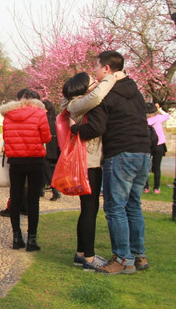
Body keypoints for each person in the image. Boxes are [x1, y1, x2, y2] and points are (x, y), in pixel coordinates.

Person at [70, 50, 151, 274]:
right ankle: (138, 255)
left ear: (106, 69)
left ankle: (123, 259)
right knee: (133, 206)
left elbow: (96, 127)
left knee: (115, 208)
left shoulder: (106, 93)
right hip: (143, 152)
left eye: (96, 66)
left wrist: (75, 128)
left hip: (121, 152)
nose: (94, 71)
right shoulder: (135, 91)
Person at [62, 71, 117, 271]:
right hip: (89, 162)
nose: (97, 83)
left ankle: (81, 253)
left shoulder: (75, 103)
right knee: (89, 209)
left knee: (88, 208)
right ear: (84, 89)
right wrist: (110, 78)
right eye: (93, 82)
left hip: (85, 161)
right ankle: (90, 259)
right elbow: (97, 96)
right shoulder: (79, 103)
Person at [1, 88, 51, 251]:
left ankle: (17, 237)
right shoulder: (40, 113)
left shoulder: (9, 114)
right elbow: (46, 138)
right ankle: (32, 239)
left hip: (15, 160)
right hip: (35, 159)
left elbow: (5, 137)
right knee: (33, 199)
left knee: (15, 198)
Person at [144, 102, 169, 194]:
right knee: (157, 167)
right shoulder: (158, 118)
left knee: (146, 166)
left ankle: (146, 187)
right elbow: (167, 116)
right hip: (159, 144)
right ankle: (156, 188)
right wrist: (159, 110)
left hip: (147, 144)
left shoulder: (143, 120)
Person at [41, 100, 61, 201]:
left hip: (47, 144)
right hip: (56, 144)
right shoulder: (56, 117)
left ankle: (54, 189)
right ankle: (42, 188)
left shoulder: (44, 118)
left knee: (46, 168)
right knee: (47, 167)